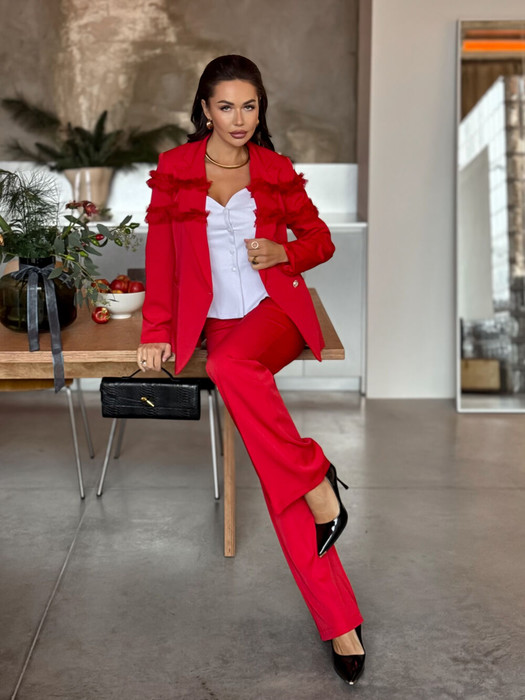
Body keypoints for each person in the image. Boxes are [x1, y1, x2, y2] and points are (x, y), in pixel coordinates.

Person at [136, 54, 365, 686]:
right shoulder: (175, 170)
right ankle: (339, 615)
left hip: (274, 313)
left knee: (231, 366)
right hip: (214, 321)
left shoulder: (275, 170)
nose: (239, 119)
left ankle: (317, 481)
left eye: (250, 106)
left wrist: (282, 250)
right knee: (272, 463)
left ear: (260, 109)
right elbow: (161, 259)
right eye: (226, 106)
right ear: (204, 110)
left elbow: (320, 240)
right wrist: (156, 330)